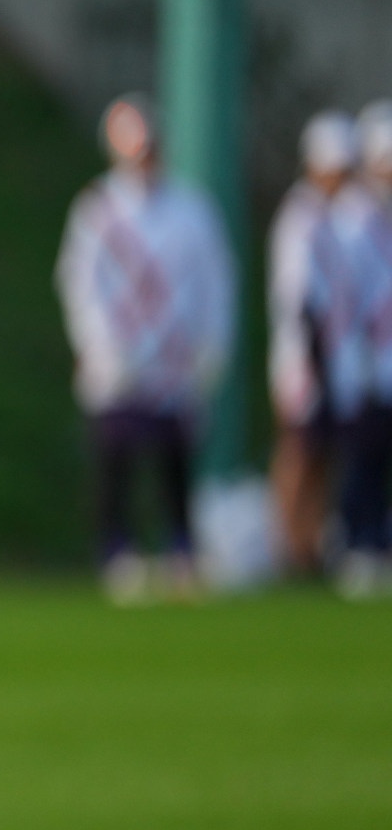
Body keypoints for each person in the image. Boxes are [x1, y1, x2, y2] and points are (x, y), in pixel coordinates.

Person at [54, 95, 235, 604]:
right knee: (116, 455)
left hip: (176, 353)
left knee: (175, 456)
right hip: (120, 357)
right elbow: (80, 283)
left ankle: (182, 549)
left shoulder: (192, 210)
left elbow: (215, 280)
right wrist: (99, 343)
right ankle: (118, 551)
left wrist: (213, 342)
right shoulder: (97, 210)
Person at [268, 111, 357, 577]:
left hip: (327, 356)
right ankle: (286, 544)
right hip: (304, 360)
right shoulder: (301, 218)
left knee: (321, 453)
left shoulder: (330, 218)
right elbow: (300, 296)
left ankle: (310, 543)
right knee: (299, 450)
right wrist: (315, 362)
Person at [319, 104, 392, 598]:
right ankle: (355, 543)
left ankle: (377, 540)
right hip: (365, 361)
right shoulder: (352, 221)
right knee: (363, 456)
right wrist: (349, 362)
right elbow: (342, 304)